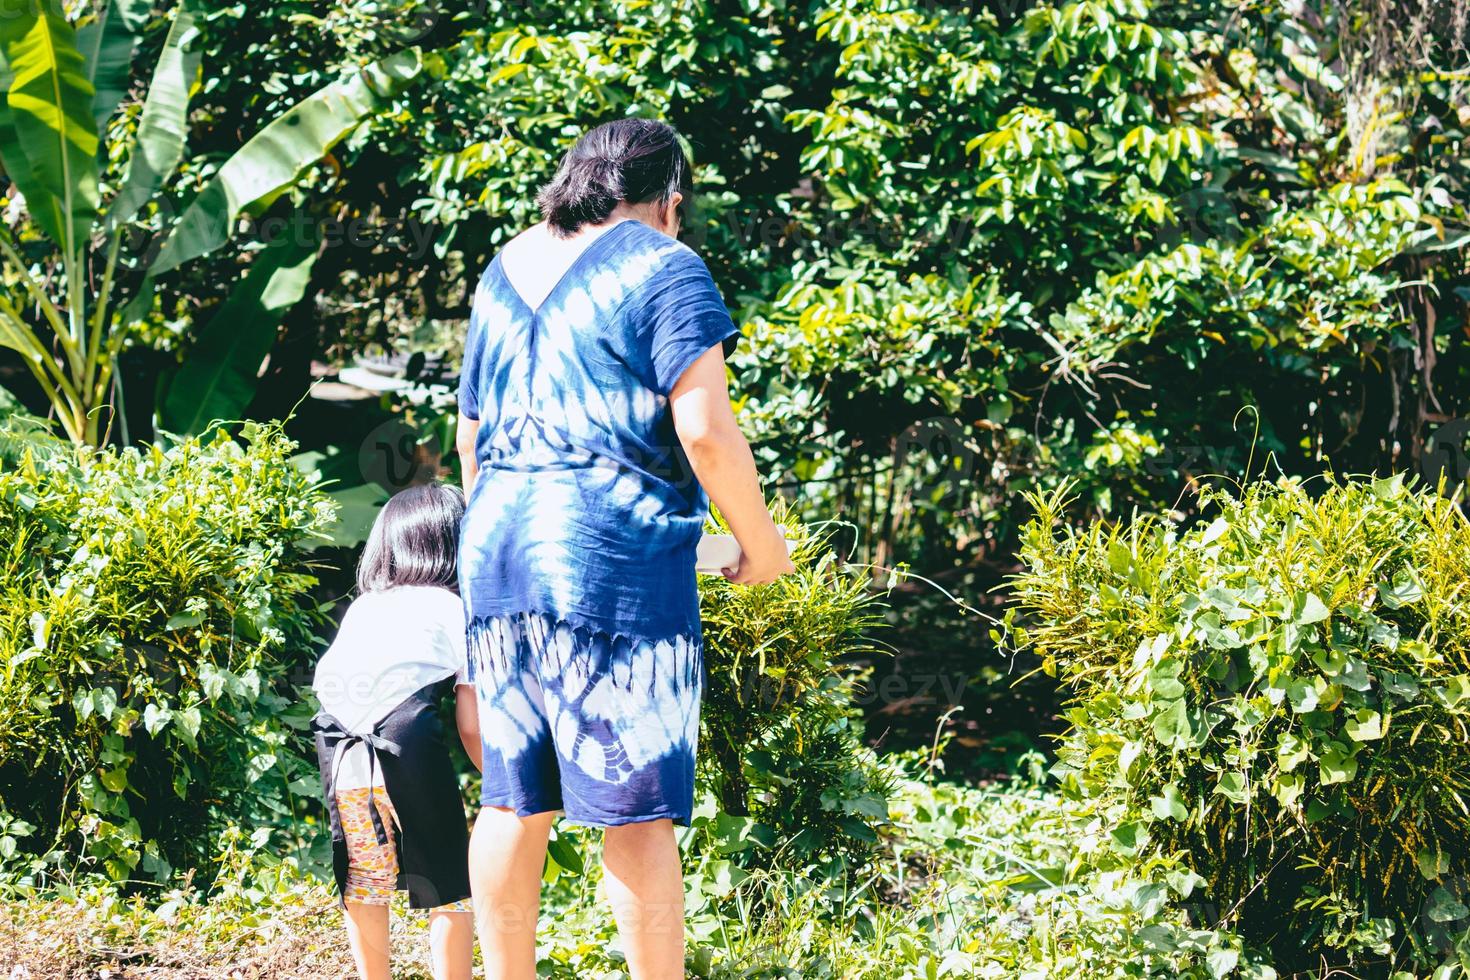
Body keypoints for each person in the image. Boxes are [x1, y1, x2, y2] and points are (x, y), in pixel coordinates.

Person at [455, 117, 794, 980]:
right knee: (634, 806)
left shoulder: (502, 269)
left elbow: (468, 439)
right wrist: (760, 546)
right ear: (670, 202)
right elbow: (705, 428)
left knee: (512, 796)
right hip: (606, 556)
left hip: (494, 546)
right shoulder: (664, 263)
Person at [311, 482, 483, 980]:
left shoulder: (366, 605)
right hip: (402, 738)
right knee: (448, 880)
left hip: (337, 745)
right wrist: (500, 785)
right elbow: (470, 723)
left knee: (363, 879)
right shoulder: (456, 608)